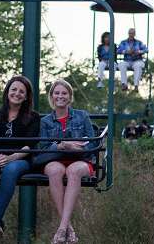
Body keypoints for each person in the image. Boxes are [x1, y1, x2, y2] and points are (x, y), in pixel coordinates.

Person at [0, 75, 40, 242]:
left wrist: (11, 158)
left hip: (20, 160)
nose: (17, 93)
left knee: (10, 171)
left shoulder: (33, 117)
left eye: (21, 91)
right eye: (14, 89)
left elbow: (29, 146)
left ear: (26, 96)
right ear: (7, 92)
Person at [39, 79, 96, 244]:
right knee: (55, 171)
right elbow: (42, 147)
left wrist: (79, 149)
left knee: (74, 171)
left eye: (64, 93)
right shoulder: (45, 122)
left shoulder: (82, 116)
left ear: (70, 96)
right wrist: (61, 145)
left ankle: (62, 228)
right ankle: (67, 227)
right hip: (54, 159)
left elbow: (93, 142)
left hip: (80, 159)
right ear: (52, 96)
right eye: (56, 93)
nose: (60, 96)